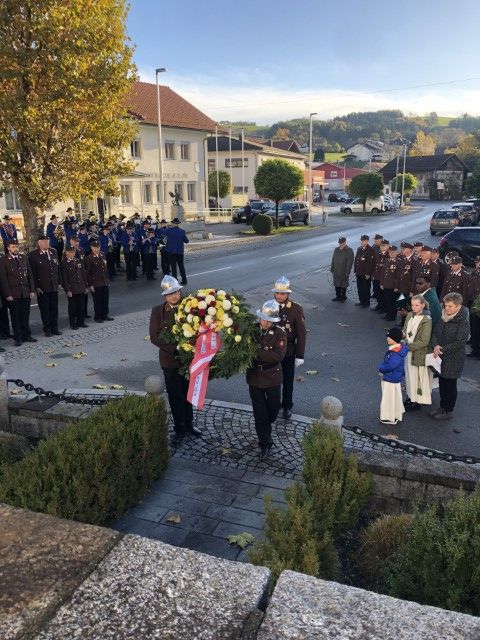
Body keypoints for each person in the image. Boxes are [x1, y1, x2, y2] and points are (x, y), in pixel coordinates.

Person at [149, 275, 201, 443]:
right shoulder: (158, 311)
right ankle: (180, 427)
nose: (174, 296)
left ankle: (189, 424)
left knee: (188, 393)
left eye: (176, 292)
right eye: (170, 293)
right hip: (170, 361)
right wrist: (177, 349)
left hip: (187, 360)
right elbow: (155, 337)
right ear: (165, 295)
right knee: (175, 395)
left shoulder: (189, 307)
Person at [246, 300, 287, 458]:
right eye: (262, 318)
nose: (264, 322)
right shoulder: (252, 330)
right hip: (255, 377)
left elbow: (277, 356)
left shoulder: (280, 333)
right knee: (260, 414)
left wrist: (256, 352)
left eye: (267, 320)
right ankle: (265, 443)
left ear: (273, 321)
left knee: (274, 409)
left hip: (272, 377)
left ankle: (266, 426)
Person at [429, 292, 470, 420]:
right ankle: (442, 407)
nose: (446, 308)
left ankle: (448, 410)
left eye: (450, 306)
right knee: (442, 382)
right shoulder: (444, 316)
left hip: (454, 358)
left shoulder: (463, 321)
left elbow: (460, 342)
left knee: (450, 385)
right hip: (441, 356)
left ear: (458, 306)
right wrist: (435, 345)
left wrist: (441, 349)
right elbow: (435, 332)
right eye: (445, 305)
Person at [272, 276, 306, 419]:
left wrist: (300, 355)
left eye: (283, 293)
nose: (279, 296)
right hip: (272, 351)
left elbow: (301, 334)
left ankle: (287, 406)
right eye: (277, 293)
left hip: (288, 351)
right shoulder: (269, 306)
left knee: (287, 380)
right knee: (272, 380)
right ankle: (274, 405)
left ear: (288, 294)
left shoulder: (296, 309)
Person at [0, 239, 37, 347]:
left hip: (25, 292)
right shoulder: (4, 260)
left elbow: (29, 274)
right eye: (13, 247)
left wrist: (32, 289)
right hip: (13, 294)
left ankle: (26, 335)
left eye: (17, 247)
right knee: (15, 317)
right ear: (8, 248)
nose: (16, 249)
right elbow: (3, 279)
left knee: (25, 316)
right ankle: (18, 338)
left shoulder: (23, 257)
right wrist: (7, 294)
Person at [403, 295, 433, 411]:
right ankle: (410, 397)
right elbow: (405, 330)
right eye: (412, 305)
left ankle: (416, 401)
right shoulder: (410, 315)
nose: (414, 307)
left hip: (417, 352)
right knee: (409, 376)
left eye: (416, 305)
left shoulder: (426, 320)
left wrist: (408, 347)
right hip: (408, 351)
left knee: (416, 378)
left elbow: (424, 341)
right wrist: (401, 337)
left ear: (423, 305)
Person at [28, 235, 62, 337]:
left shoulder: (53, 251)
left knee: (54, 309)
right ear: (39, 243)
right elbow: (32, 273)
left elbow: (57, 268)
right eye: (43, 241)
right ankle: (47, 329)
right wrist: (36, 286)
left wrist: (59, 282)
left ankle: (55, 328)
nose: (46, 243)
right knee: (45, 310)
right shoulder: (33, 255)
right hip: (42, 287)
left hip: (53, 285)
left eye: (47, 241)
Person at [378, 326, 407, 426]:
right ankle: (395, 414)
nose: (387, 339)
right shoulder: (399, 350)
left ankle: (388, 417)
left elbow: (391, 365)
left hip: (390, 378)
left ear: (395, 339)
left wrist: (381, 367)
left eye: (389, 337)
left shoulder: (395, 353)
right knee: (394, 397)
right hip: (394, 378)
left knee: (388, 398)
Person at [61, 246, 89, 329]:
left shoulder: (78, 260)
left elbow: (83, 274)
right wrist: (67, 290)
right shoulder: (64, 263)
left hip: (80, 287)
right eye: (70, 252)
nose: (72, 254)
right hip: (72, 288)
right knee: (72, 307)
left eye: (73, 252)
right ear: (66, 253)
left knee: (81, 306)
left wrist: (86, 286)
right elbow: (64, 278)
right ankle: (73, 324)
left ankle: (81, 322)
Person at [85, 240, 113, 323]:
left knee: (105, 300)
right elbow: (88, 273)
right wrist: (90, 285)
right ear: (92, 248)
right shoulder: (89, 258)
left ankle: (105, 315)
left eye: (98, 247)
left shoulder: (102, 254)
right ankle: (98, 317)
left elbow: (105, 269)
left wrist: (107, 280)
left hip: (104, 282)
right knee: (98, 301)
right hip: (96, 283)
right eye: (95, 247)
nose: (97, 249)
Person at [354, 234, 376, 308]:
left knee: (366, 288)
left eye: (363, 241)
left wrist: (368, 273)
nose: (362, 242)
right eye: (361, 241)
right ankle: (361, 301)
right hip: (359, 273)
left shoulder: (370, 250)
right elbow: (356, 260)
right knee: (359, 288)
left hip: (365, 274)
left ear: (367, 241)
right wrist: (355, 270)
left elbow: (370, 263)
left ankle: (366, 303)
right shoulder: (359, 248)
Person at [330, 237, 354, 302]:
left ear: (345, 242)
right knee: (336, 284)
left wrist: (347, 272)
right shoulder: (336, 249)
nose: (341, 244)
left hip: (343, 271)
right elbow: (333, 259)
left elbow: (350, 262)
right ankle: (338, 296)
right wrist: (332, 268)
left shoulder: (349, 250)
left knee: (343, 284)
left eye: (342, 243)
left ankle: (343, 297)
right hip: (336, 270)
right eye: (340, 243)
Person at [381, 244, 401, 322]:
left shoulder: (399, 262)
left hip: (393, 286)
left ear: (396, 252)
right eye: (390, 252)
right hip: (386, 284)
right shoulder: (386, 260)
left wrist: (396, 286)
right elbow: (383, 273)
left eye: (393, 252)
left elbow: (398, 276)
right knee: (387, 300)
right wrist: (382, 283)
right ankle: (388, 314)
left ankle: (392, 316)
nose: (391, 254)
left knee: (393, 301)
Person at [166, 218, 189, 285]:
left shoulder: (169, 231)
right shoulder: (182, 231)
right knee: (181, 267)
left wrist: (168, 226)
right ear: (178, 224)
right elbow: (187, 241)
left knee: (173, 268)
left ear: (173, 223)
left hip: (171, 252)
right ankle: (184, 281)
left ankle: (175, 282)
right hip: (180, 252)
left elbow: (163, 232)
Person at [466, 255, 480, 359]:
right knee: (474, 328)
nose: (478, 265)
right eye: (477, 263)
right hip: (473, 304)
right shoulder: (474, 273)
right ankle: (475, 349)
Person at [371, 239, 389, 313]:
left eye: (384, 245)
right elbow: (375, 265)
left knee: (383, 294)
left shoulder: (388, 255)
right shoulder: (378, 254)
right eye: (381, 245)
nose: (382, 247)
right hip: (377, 277)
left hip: (383, 278)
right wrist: (373, 275)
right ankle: (379, 305)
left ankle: (384, 308)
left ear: (387, 246)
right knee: (377, 292)